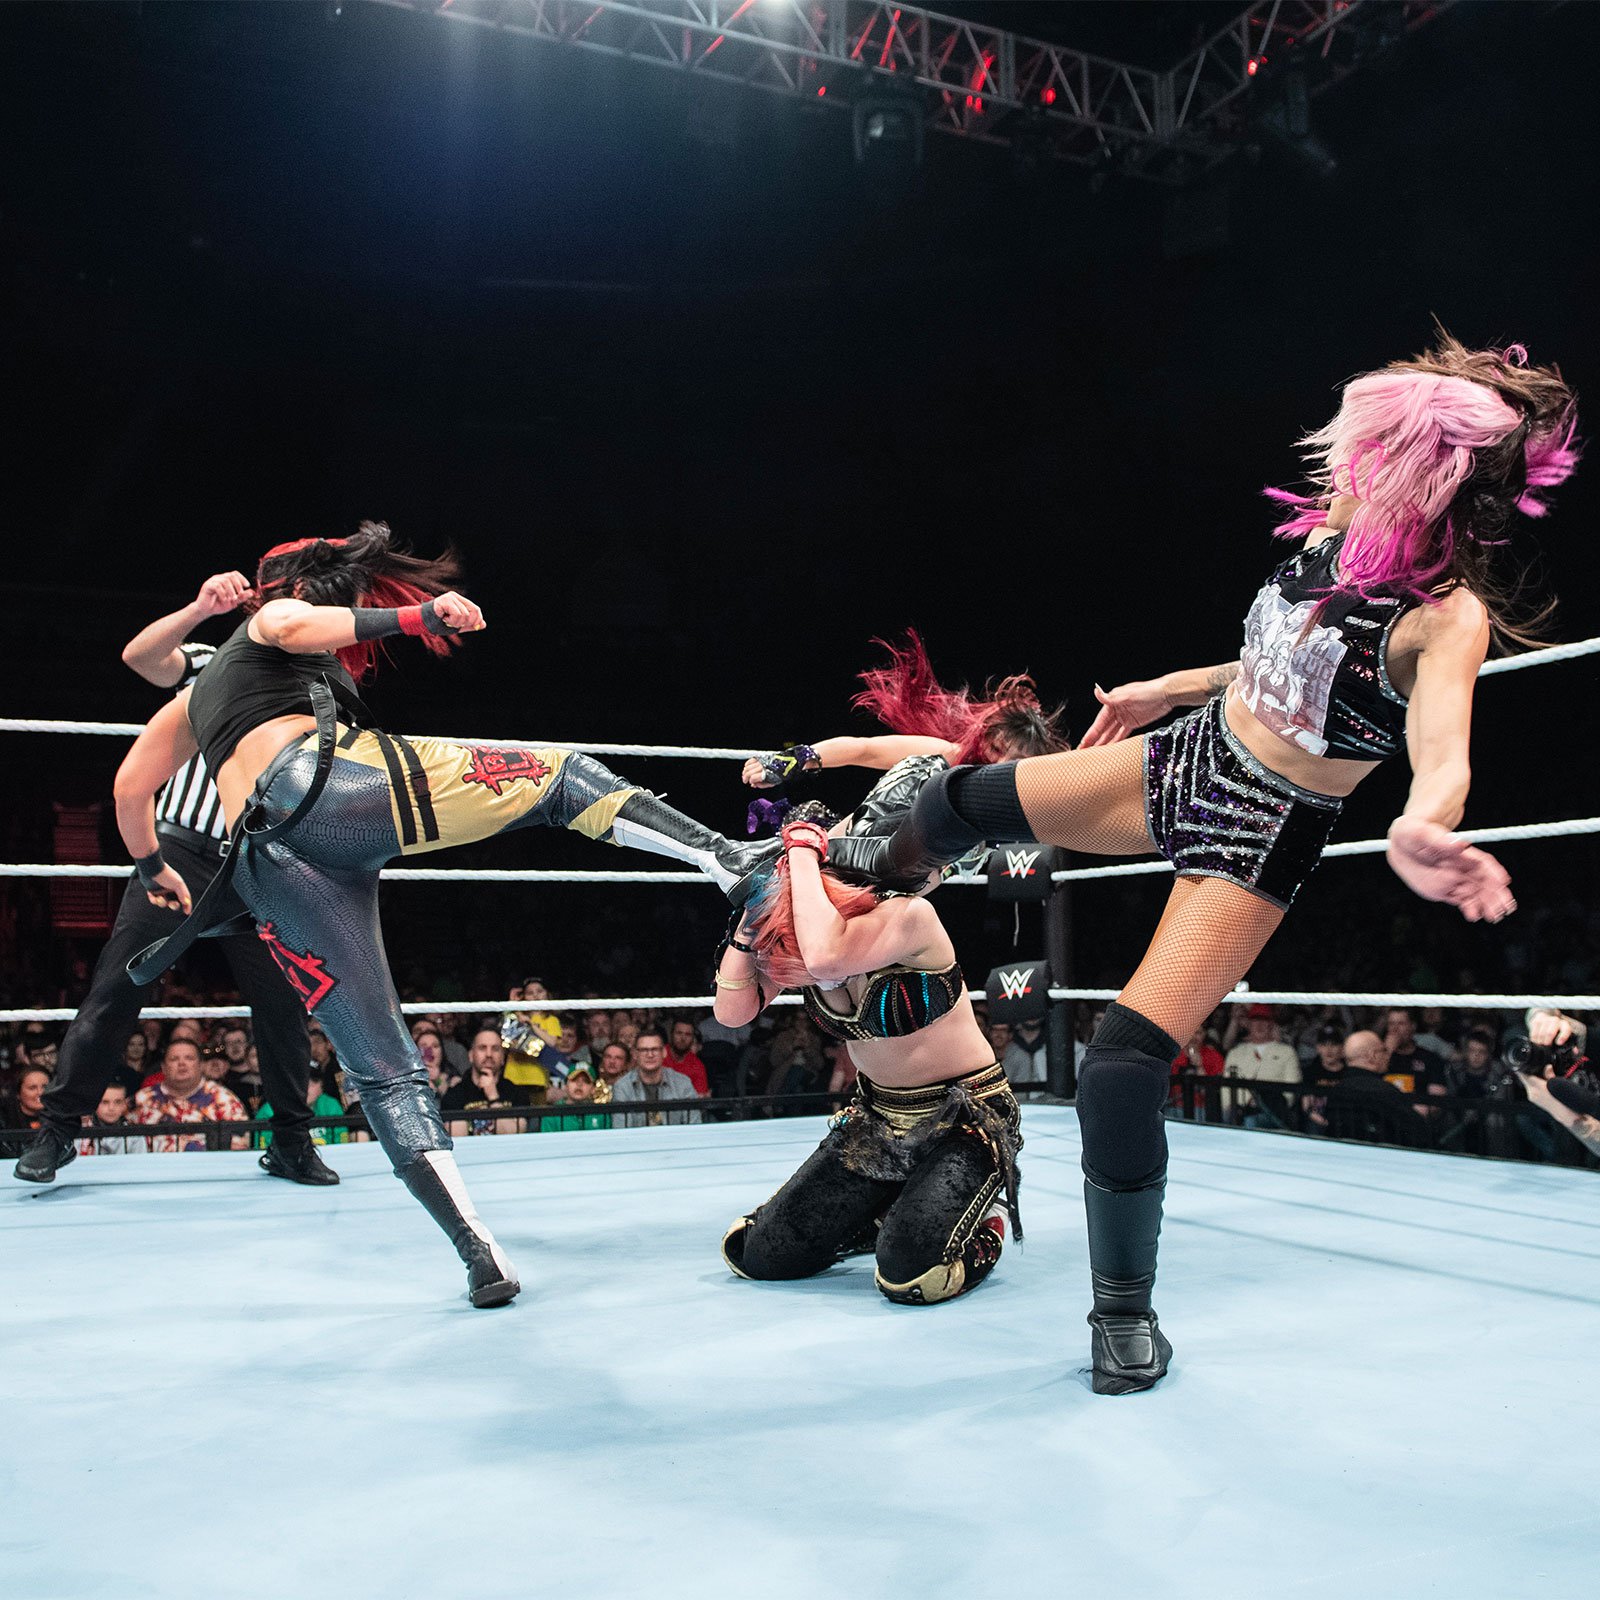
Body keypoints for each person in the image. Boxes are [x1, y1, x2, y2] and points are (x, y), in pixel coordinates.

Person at [823, 333, 1578, 1391]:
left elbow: (1441, 750)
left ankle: (1122, 1317)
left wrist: (1425, 823)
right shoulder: (1337, 527)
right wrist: (1166, 688)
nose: (1346, 466)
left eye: (1371, 453)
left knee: (1119, 1065)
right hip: (1186, 757)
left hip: (1259, 828)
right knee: (953, 801)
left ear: (1421, 471)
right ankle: (874, 879)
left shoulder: (1446, 619)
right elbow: (1277, 653)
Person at [111, 522, 772, 1307]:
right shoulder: (272, 621)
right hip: (323, 789)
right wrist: (418, 616)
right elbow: (289, 624)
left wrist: (153, 868)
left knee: (383, 1068)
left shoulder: (197, 696)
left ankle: (477, 1249)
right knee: (561, 776)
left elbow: (129, 787)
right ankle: (729, 859)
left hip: (267, 866)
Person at [13, 570, 328, 1189]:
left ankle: (292, 1140)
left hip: (259, 860)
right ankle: (57, 1131)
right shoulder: (209, 664)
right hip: (178, 851)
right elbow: (140, 657)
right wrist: (198, 608)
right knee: (117, 986)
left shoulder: (316, 694)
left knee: (283, 1001)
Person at [715, 811, 1023, 1306]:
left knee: (912, 1275)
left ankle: (985, 1228)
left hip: (964, 1117)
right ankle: (884, 1208)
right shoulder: (806, 931)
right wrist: (753, 916)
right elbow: (733, 1012)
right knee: (756, 1254)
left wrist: (800, 848)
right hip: (877, 1122)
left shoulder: (910, 917)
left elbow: (826, 958)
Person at [132, 1038, 250, 1154]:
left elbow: (240, 1147)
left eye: (189, 1058)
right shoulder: (142, 1099)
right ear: (163, 1067)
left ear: (201, 1065)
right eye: (174, 1059)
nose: (182, 1063)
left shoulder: (223, 1099)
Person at [442, 1028, 530, 1136]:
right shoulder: (455, 1094)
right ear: (471, 1056)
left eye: (495, 1049)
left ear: (503, 1058)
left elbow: (513, 1136)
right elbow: (457, 1140)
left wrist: (493, 1097)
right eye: (482, 1048)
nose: (489, 1054)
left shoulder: (517, 1093)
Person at [610, 1027, 702, 1128]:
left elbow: (694, 1126)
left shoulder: (683, 1083)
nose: (650, 1055)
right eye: (644, 1050)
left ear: (664, 1052)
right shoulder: (622, 1086)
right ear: (635, 1054)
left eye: (655, 1049)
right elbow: (621, 1130)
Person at [74, 1084, 146, 1157]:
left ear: (124, 1105)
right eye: (105, 1102)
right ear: (95, 1104)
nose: (111, 1108)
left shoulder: (135, 1135)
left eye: (117, 1102)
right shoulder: (79, 1134)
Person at [538, 1060, 611, 1132]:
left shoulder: (602, 1114)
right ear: (566, 1086)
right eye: (574, 1079)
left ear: (593, 1089)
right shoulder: (551, 1115)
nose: (579, 1084)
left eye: (586, 1081)